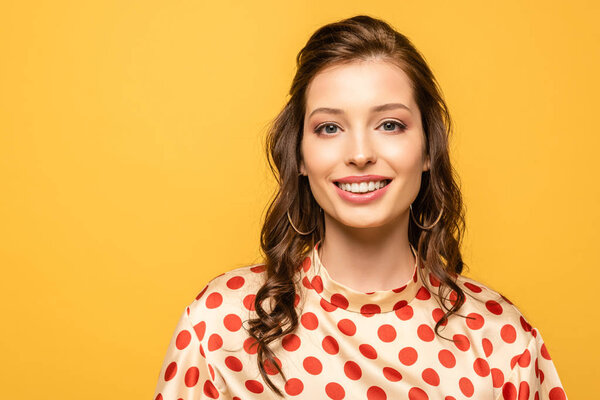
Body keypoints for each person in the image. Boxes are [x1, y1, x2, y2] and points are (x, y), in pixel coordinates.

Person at [153, 15, 567, 400]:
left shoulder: (505, 342)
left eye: (390, 124)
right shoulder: (220, 325)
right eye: (329, 128)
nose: (360, 153)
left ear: (428, 149)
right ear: (298, 155)